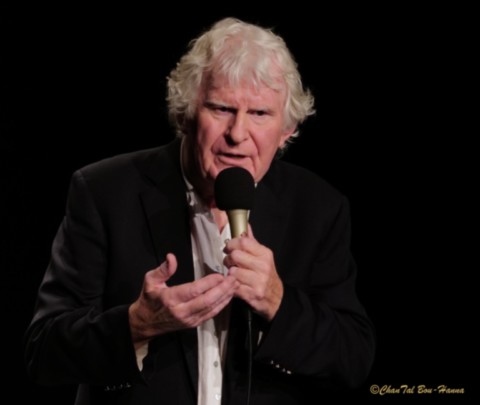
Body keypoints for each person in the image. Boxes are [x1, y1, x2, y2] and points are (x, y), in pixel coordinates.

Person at [23, 17, 375, 404]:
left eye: (260, 114)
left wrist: (278, 302)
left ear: (287, 130)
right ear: (186, 113)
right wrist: (136, 325)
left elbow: (353, 358)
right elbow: (44, 350)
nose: (238, 134)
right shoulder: (104, 192)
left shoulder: (318, 208)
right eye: (221, 108)